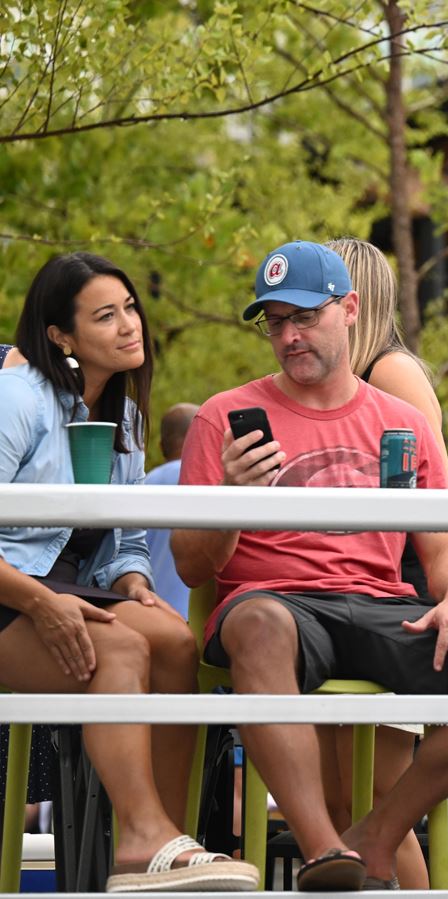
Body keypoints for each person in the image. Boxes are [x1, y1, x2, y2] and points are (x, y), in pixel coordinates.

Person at [170, 240, 448, 890]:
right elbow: (192, 565)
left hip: (379, 606)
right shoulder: (223, 416)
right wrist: (230, 497)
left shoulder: (402, 420)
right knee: (258, 621)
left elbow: (445, 544)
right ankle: (323, 854)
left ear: (350, 309)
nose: (288, 335)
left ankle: (373, 836)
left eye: (303, 316)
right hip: (276, 606)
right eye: (274, 321)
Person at [0, 252, 257, 891]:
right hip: (13, 593)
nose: (128, 326)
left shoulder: (127, 417)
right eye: (105, 316)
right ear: (61, 336)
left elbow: (123, 543)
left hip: (63, 595)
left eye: (130, 309)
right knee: (114, 647)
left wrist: (134, 585)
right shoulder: (17, 399)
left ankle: (165, 842)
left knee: (172, 640)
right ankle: (141, 840)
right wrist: (37, 602)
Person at [314, 236, 437, 889]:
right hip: (349, 589)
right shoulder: (345, 381)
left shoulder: (390, 373)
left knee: (381, 800)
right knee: (340, 804)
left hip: (394, 590)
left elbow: (427, 488)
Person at [143, 403, 199, 617]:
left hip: (149, 608)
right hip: (193, 613)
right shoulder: (213, 483)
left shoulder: (143, 484)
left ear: (161, 446)